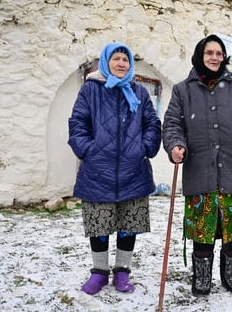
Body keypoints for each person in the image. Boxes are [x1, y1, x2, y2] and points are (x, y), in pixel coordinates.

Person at [162, 34, 232, 295]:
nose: (214, 58)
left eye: (219, 54)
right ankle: (201, 279)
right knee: (203, 230)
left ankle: (230, 276)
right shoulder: (182, 90)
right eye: (209, 53)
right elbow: (172, 124)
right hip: (201, 169)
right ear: (200, 55)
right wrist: (176, 145)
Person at [68, 42, 161, 295]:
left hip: (134, 170)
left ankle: (122, 271)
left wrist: (144, 147)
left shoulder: (139, 92)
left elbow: (152, 123)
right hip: (98, 170)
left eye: (126, 60)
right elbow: (78, 123)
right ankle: (99, 273)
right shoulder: (91, 90)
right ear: (106, 61)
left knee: (128, 223)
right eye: (116, 59)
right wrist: (88, 150)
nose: (121, 64)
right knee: (99, 224)